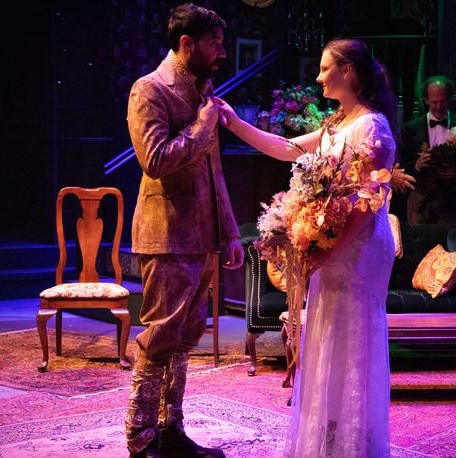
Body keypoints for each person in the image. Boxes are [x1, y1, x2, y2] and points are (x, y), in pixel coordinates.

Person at [217, 38, 397, 457]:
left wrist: (328, 251)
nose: (318, 77)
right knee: (327, 336)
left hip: (358, 250)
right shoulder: (338, 124)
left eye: (324, 68)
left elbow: (367, 205)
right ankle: (328, 440)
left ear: (347, 72)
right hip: (333, 246)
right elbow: (285, 148)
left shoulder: (372, 126)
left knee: (350, 339)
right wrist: (233, 123)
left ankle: (354, 445)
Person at [123, 4, 244, 457]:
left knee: (185, 337)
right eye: (215, 44)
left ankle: (170, 429)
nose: (222, 53)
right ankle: (140, 436)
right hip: (167, 233)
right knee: (160, 334)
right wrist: (201, 125)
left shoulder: (202, 92)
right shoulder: (149, 90)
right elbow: (153, 159)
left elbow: (214, 172)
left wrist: (229, 231)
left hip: (204, 236)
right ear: (187, 43)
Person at [395, 75, 456, 226]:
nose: (439, 106)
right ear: (426, 100)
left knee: (453, 247)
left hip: (454, 202)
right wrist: (417, 165)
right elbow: (400, 167)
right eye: (434, 102)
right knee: (420, 246)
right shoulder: (410, 129)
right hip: (420, 200)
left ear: (449, 99)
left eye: (443, 101)